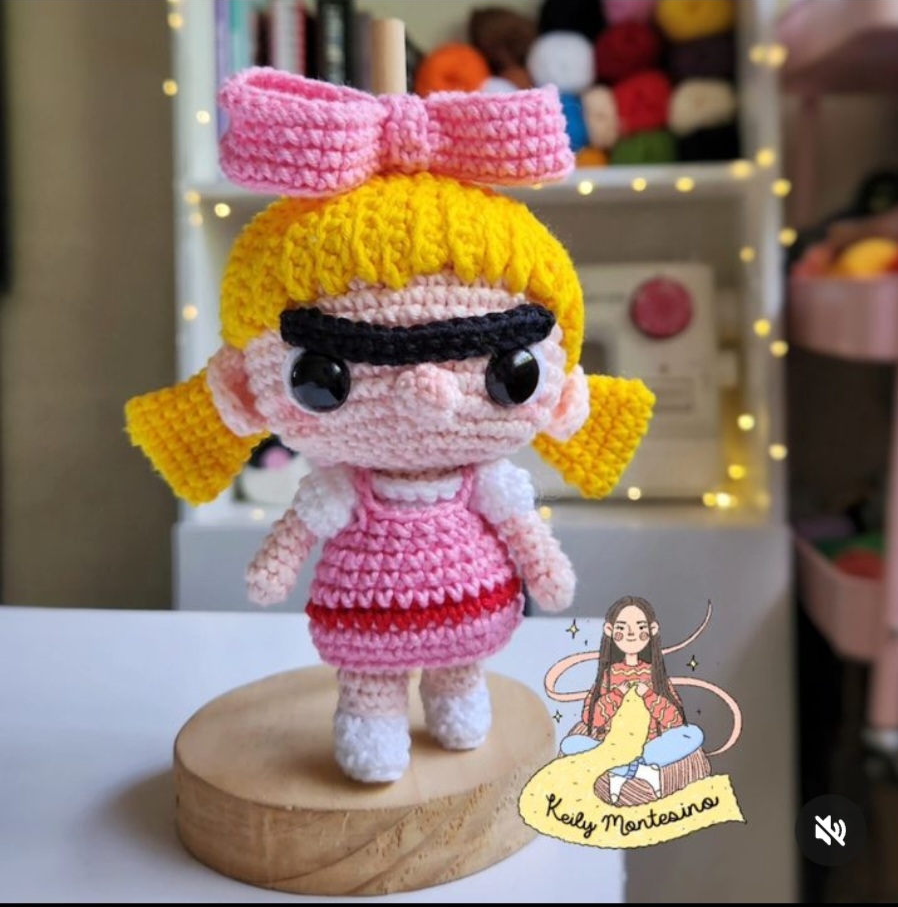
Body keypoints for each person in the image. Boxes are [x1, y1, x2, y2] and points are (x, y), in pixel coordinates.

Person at [125, 72, 655, 785]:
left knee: (460, 685)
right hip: (365, 622)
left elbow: (524, 530)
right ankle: (375, 718)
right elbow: (298, 533)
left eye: (509, 371)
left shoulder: (485, 482)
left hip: (465, 618)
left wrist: (546, 567)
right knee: (371, 688)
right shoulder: (344, 488)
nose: (426, 396)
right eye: (326, 376)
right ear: (251, 383)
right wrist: (274, 565)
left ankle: (454, 696)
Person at [560, 595, 705, 803]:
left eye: (639, 627)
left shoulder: (655, 675)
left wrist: (648, 695)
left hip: (650, 745)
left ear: (652, 629)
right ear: (609, 630)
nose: (630, 633)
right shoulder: (608, 676)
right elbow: (592, 718)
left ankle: (633, 768)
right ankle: (627, 768)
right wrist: (617, 694)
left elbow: (674, 720)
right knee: (572, 744)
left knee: (692, 734)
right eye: (622, 627)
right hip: (613, 746)